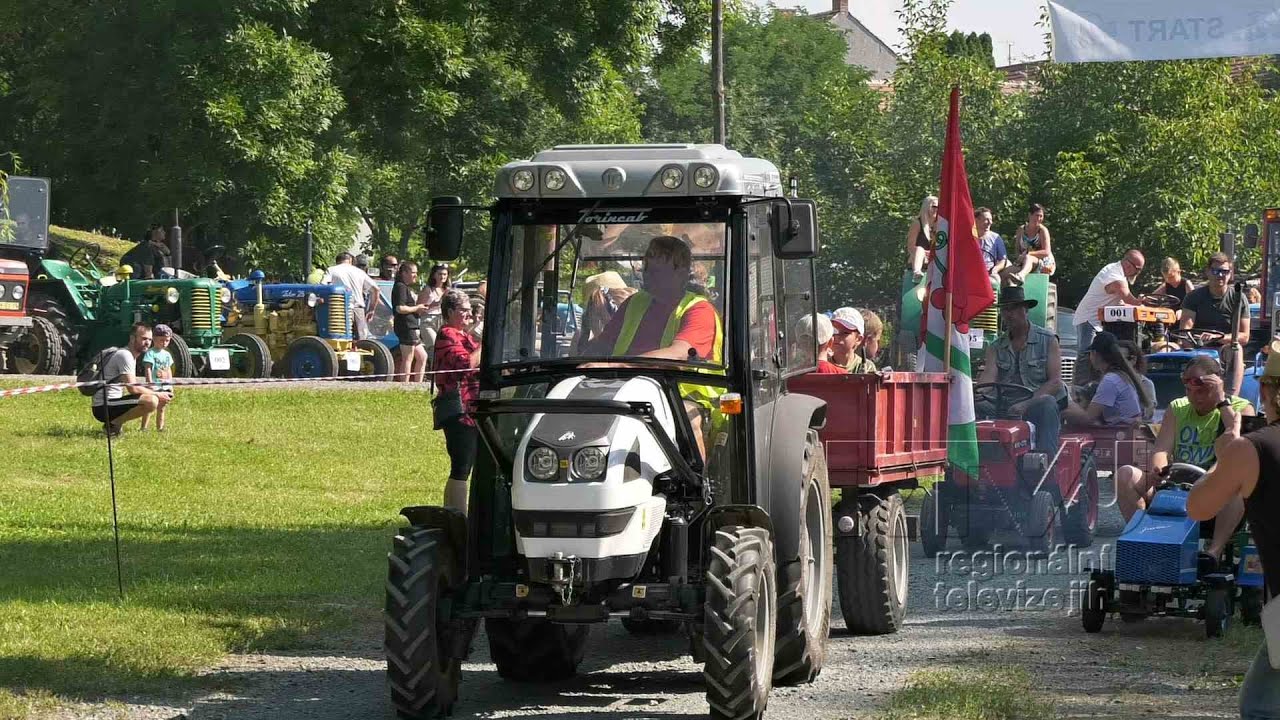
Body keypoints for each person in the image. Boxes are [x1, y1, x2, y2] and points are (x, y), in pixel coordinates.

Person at [1186, 343, 1280, 719]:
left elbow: (1198, 506)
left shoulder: (1252, 450)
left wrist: (1226, 455)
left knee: (1259, 709)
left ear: (1269, 392)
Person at [586, 235, 723, 459]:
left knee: (690, 421)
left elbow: (678, 353)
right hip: (622, 387)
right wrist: (575, 363)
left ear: (681, 273)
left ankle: (697, 487)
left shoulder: (698, 310)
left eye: (657, 271)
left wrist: (622, 365)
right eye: (647, 268)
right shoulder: (635, 303)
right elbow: (602, 343)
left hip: (679, 396)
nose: (647, 275)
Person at [1116, 356, 1253, 555]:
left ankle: (1213, 552)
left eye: (1202, 391)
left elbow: (1237, 448)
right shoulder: (1177, 408)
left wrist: (1222, 401)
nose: (1195, 398)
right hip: (1176, 485)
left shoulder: (1242, 408)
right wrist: (1158, 470)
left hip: (1215, 492)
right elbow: (1161, 449)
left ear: (1218, 385)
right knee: (1125, 474)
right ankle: (1145, 540)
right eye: (1190, 391)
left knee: (1236, 487)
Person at [976, 286, 1066, 455]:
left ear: (1025, 310)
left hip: (1035, 401)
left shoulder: (1048, 340)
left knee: (1048, 403)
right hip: (1003, 403)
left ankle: (1046, 466)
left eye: (1014, 309)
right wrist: (975, 394)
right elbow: (987, 381)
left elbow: (1055, 382)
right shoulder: (996, 346)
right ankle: (972, 463)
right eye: (1005, 310)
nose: (1009, 314)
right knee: (970, 407)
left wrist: (1025, 404)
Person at [434, 289, 481, 515]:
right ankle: (460, 518)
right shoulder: (447, 334)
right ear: (450, 311)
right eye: (464, 310)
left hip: (470, 407)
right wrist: (486, 344)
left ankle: (450, 514)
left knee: (461, 467)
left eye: (470, 310)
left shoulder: (463, 335)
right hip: (460, 409)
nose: (469, 315)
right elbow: (466, 364)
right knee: (462, 466)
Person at [1073, 249, 1146, 384]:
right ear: (1129, 266)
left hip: (1100, 322)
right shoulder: (1115, 276)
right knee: (1087, 354)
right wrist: (1141, 302)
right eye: (1138, 270)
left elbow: (1123, 303)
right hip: (1089, 320)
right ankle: (1079, 391)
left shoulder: (1118, 274)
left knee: (1102, 356)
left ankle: (1096, 387)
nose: (1138, 274)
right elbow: (1130, 300)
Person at [1181, 252, 1249, 397]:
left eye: (1225, 271)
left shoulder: (1238, 298)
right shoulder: (1193, 297)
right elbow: (1185, 330)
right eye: (1216, 271)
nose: (1220, 275)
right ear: (1208, 272)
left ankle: (1231, 398)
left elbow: (1244, 336)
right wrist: (1192, 347)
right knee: (1161, 348)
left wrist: (1217, 338)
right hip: (1198, 345)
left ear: (1230, 274)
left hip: (1224, 347)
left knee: (1236, 350)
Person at [90, 323, 170, 437]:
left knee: (150, 398)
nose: (147, 342)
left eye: (149, 339)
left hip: (111, 403)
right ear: (132, 338)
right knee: (151, 401)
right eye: (143, 339)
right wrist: (157, 393)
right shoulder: (125, 355)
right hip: (103, 406)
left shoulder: (131, 356)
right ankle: (113, 425)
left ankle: (114, 424)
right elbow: (133, 388)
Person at [1063, 331, 1149, 427]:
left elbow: (1088, 418)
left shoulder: (1111, 380)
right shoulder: (1120, 376)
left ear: (1094, 353)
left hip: (1121, 435)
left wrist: (1067, 404)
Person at [325, 252, 380, 340]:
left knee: (340, 340)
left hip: (339, 310)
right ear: (350, 260)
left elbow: (323, 286)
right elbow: (376, 289)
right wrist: (371, 310)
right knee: (361, 341)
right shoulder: (359, 272)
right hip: (358, 310)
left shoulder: (331, 270)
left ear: (337, 261)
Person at [392, 262, 429, 383]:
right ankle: (405, 384)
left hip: (412, 326)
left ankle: (418, 384)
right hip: (405, 326)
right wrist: (417, 308)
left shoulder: (405, 287)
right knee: (408, 357)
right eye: (413, 272)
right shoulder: (400, 287)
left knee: (422, 356)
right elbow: (400, 308)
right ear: (404, 273)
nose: (415, 275)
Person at [1002, 203, 1055, 286]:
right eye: (1037, 215)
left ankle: (1021, 276)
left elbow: (1046, 252)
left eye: (1041, 216)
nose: (1039, 218)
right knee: (1004, 273)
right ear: (1030, 215)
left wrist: (1028, 254)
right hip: (1023, 262)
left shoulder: (1043, 231)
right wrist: (1019, 258)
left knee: (1028, 258)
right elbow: (1017, 249)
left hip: (1042, 263)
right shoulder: (1021, 229)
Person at [139, 324, 176, 431]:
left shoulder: (167, 355)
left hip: (164, 385)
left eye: (167, 340)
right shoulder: (150, 353)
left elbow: (168, 369)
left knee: (161, 408)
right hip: (154, 385)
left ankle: (160, 427)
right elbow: (148, 368)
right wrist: (149, 383)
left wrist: (170, 383)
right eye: (161, 340)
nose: (164, 343)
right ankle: (144, 427)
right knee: (150, 407)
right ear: (154, 339)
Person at [1118, 340, 1156, 418]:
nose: (1118, 363)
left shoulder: (1146, 383)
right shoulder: (1109, 381)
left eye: (1122, 359)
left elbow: (1149, 413)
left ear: (1133, 360)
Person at [830, 307, 876, 373]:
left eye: (845, 333)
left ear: (858, 339)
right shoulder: (822, 365)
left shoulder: (867, 367)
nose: (837, 336)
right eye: (834, 331)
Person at [417, 263, 451, 349]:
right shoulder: (428, 289)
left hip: (442, 320)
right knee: (433, 347)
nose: (442, 276)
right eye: (440, 274)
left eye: (444, 274)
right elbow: (418, 309)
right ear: (434, 275)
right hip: (428, 321)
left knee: (444, 347)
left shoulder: (447, 290)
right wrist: (433, 304)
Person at [906, 195, 939, 282]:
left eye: (939, 207)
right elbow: (910, 247)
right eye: (934, 206)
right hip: (919, 257)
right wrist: (926, 253)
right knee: (920, 249)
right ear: (927, 206)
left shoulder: (941, 225)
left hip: (936, 258)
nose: (937, 209)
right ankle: (917, 273)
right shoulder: (917, 223)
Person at [975, 207, 1008, 281]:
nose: (990, 222)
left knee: (994, 282)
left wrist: (995, 270)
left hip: (990, 273)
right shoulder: (968, 237)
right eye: (986, 219)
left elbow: (1003, 260)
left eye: (991, 219)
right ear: (976, 220)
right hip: (972, 272)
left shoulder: (996, 238)